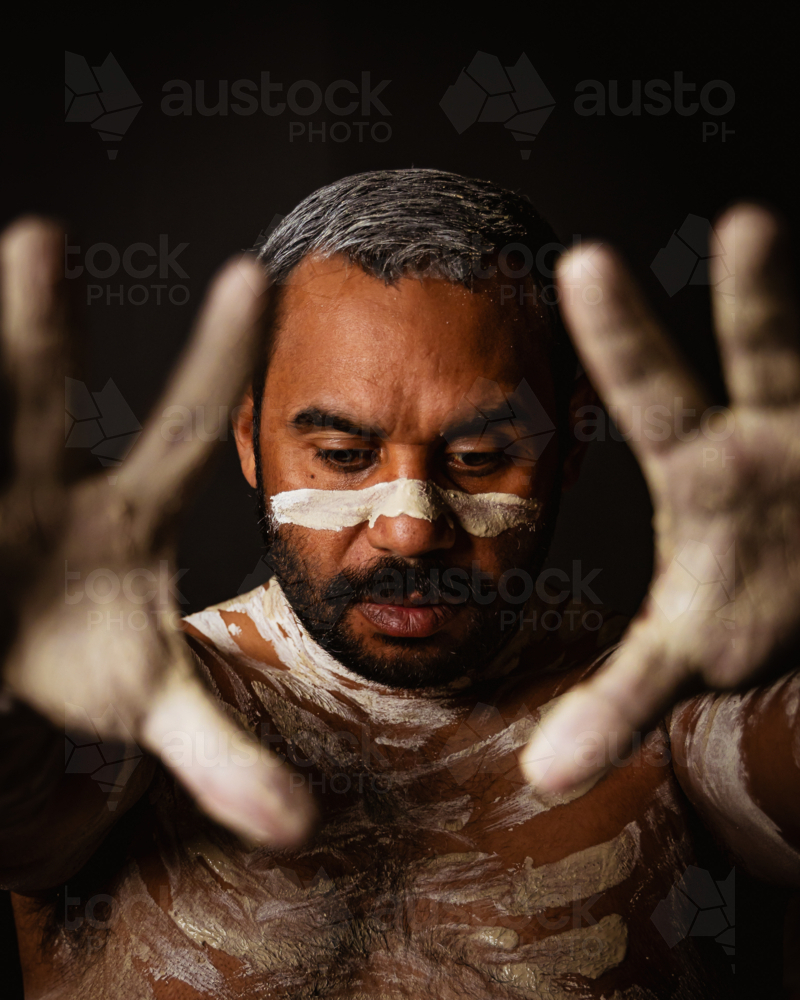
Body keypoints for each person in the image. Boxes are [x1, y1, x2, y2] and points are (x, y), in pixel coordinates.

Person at [1, 169, 798, 998]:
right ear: (248, 437)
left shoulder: (671, 721)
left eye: (478, 458)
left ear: (570, 444)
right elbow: (25, 800)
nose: (411, 528)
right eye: (344, 456)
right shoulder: (130, 721)